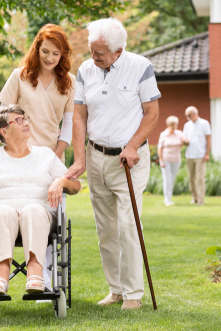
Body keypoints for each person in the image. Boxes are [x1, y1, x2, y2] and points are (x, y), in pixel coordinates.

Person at [64, 18, 160, 310]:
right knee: (105, 227)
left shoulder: (140, 66)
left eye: (100, 52)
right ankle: (115, 290)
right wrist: (80, 157)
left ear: (119, 50)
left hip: (129, 160)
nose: (94, 56)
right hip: (96, 156)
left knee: (129, 224)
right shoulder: (85, 70)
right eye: (93, 50)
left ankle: (133, 294)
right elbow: (79, 115)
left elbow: (152, 112)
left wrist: (132, 146)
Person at [0, 105, 80, 295]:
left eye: (26, 119)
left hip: (40, 215)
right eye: (19, 120)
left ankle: (35, 275)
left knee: (33, 210)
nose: (26, 123)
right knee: (2, 211)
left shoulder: (45, 155)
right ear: (4, 131)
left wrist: (62, 181)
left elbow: (75, 186)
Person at [0, 24, 75, 292]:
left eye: (56, 54)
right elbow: (1, 121)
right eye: (45, 51)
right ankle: (5, 277)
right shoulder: (20, 76)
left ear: (63, 55)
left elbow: (69, 125)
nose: (50, 58)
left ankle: (43, 284)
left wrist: (56, 156)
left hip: (49, 159)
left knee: (48, 221)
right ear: (37, 48)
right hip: (15, 155)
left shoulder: (69, 83)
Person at [183, 106, 211, 205]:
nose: (187, 117)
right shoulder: (187, 125)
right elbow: (185, 139)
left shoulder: (204, 123)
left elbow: (208, 139)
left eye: (189, 115)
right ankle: (194, 197)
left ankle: (201, 199)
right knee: (191, 178)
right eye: (186, 115)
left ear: (195, 113)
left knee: (200, 178)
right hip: (189, 155)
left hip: (200, 155)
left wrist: (207, 154)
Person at [158, 116, 186, 206]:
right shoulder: (163, 134)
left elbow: (183, 143)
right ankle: (167, 199)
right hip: (166, 160)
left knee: (172, 179)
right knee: (167, 179)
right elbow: (159, 149)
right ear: (168, 125)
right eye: (173, 125)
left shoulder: (179, 133)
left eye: (176, 125)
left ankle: (169, 198)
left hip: (176, 160)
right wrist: (161, 161)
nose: (175, 127)